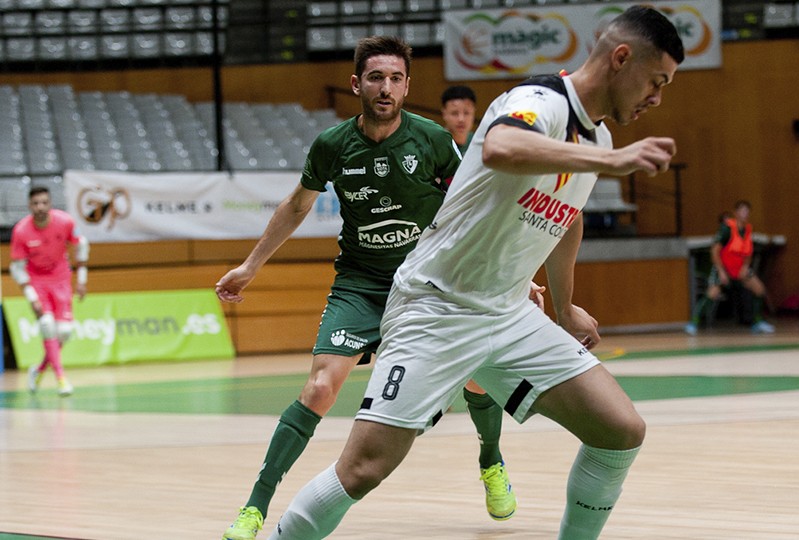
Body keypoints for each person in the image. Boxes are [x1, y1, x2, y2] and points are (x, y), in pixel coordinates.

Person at [265, 6, 684, 539]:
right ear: (621, 58)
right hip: (436, 306)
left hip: (507, 312)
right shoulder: (539, 101)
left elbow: (566, 217)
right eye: (656, 81)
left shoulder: (595, 139)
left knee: (620, 430)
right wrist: (612, 163)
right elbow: (504, 147)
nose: (657, 97)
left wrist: (565, 303)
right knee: (363, 468)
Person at [217, 36, 519, 540]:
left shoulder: (433, 140)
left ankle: (491, 460)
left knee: (477, 380)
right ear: (358, 83)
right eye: (376, 77)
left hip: (428, 285)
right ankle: (255, 507)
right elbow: (296, 205)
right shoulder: (333, 144)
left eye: (396, 79)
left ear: (407, 86)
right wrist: (250, 266)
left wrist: (515, 272)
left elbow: (476, 207)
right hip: (360, 284)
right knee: (318, 388)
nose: (386, 88)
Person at [9, 186, 89, 397]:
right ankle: (61, 379)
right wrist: (31, 296)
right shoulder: (21, 231)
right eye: (36, 203)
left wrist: (82, 280)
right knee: (46, 325)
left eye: (44, 202)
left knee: (63, 332)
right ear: (29, 206)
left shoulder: (65, 222)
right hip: (37, 282)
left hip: (62, 279)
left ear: (50, 204)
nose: (40, 207)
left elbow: (81, 245)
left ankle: (39, 370)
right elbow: (17, 268)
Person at [685, 200, 775, 335]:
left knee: (759, 289)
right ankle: (694, 323)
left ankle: (758, 322)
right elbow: (715, 251)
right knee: (712, 293)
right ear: (736, 213)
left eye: (747, 211)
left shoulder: (748, 229)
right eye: (742, 211)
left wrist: (745, 267)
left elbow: (748, 252)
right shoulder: (727, 229)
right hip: (723, 268)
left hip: (739, 269)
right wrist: (721, 271)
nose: (745, 214)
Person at [440, 84, 477, 156]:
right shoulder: (435, 144)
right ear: (444, 114)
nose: (461, 119)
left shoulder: (480, 143)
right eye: (454, 113)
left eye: (466, 113)